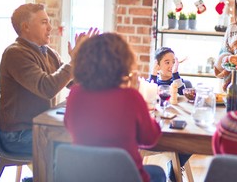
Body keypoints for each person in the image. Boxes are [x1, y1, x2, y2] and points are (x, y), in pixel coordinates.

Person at [0, 3, 98, 156]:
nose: (50, 28)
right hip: (18, 135)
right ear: (26, 27)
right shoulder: (15, 54)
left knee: (90, 135)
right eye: (44, 22)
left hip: (41, 127)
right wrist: (73, 62)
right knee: (80, 142)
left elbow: (75, 84)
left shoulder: (49, 52)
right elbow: (47, 88)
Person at [64, 33, 166, 182]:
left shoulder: (75, 93)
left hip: (85, 176)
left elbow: (69, 126)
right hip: (124, 176)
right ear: (123, 63)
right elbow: (150, 139)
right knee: (158, 173)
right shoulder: (131, 96)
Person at [147, 47, 190, 182]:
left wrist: (176, 73)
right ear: (157, 65)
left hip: (176, 124)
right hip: (159, 127)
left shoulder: (177, 82)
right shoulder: (154, 83)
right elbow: (149, 94)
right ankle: (174, 168)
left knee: (192, 139)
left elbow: (184, 94)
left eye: (173, 61)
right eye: (167, 62)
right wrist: (153, 74)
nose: (171, 65)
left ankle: (174, 166)